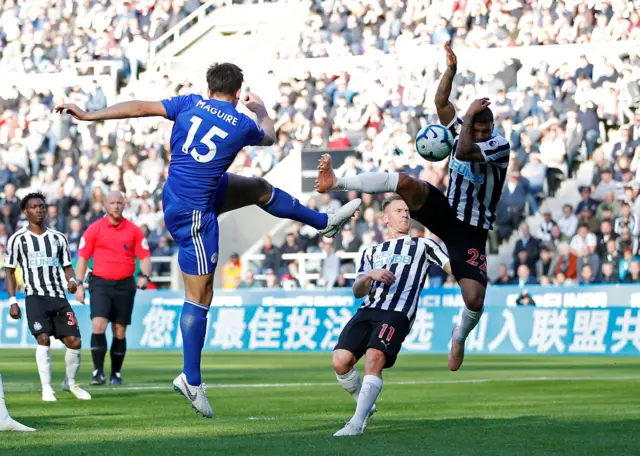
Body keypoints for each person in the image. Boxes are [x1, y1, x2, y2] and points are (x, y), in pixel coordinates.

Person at [56, 62, 360, 417]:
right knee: (200, 296)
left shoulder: (188, 104)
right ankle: (191, 379)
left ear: (208, 87)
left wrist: (90, 115)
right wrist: (259, 108)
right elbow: (269, 136)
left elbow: (139, 107)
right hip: (195, 214)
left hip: (180, 193)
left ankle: (322, 222)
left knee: (260, 188)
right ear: (237, 92)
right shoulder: (243, 123)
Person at [317, 41, 509, 373]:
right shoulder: (464, 130)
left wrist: (467, 123)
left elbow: (463, 151)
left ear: (490, 130)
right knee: (406, 182)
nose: (480, 134)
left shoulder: (498, 145)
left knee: (474, 299)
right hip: (447, 210)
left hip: (472, 229)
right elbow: (440, 102)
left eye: (483, 130)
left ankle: (459, 336)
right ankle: (338, 182)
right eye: (476, 129)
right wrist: (450, 70)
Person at [332, 196, 451, 436]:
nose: (405, 214)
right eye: (399, 210)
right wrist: (369, 275)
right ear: (385, 218)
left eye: (407, 210)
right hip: (368, 309)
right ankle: (365, 404)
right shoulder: (371, 251)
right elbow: (357, 291)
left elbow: (450, 267)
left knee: (374, 357)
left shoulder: (423, 245)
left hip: (398, 312)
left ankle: (356, 423)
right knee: (340, 361)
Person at [4, 193, 91, 402]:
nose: (39, 210)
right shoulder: (17, 239)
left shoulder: (58, 238)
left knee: (75, 341)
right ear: (25, 212)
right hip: (35, 297)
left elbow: (67, 267)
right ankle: (46, 388)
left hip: (58, 297)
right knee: (43, 339)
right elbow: (9, 270)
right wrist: (13, 301)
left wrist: (71, 282)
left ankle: (71, 383)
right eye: (34, 207)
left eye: (42, 206)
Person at [75, 191, 152, 386]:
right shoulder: (94, 229)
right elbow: (83, 258)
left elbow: (144, 257)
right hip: (100, 283)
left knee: (119, 330)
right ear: (105, 206)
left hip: (125, 284)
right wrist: (79, 285)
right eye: (112, 202)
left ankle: (116, 374)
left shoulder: (134, 230)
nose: (116, 206)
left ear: (124, 205)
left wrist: (144, 276)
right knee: (98, 325)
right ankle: (98, 372)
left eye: (119, 202)